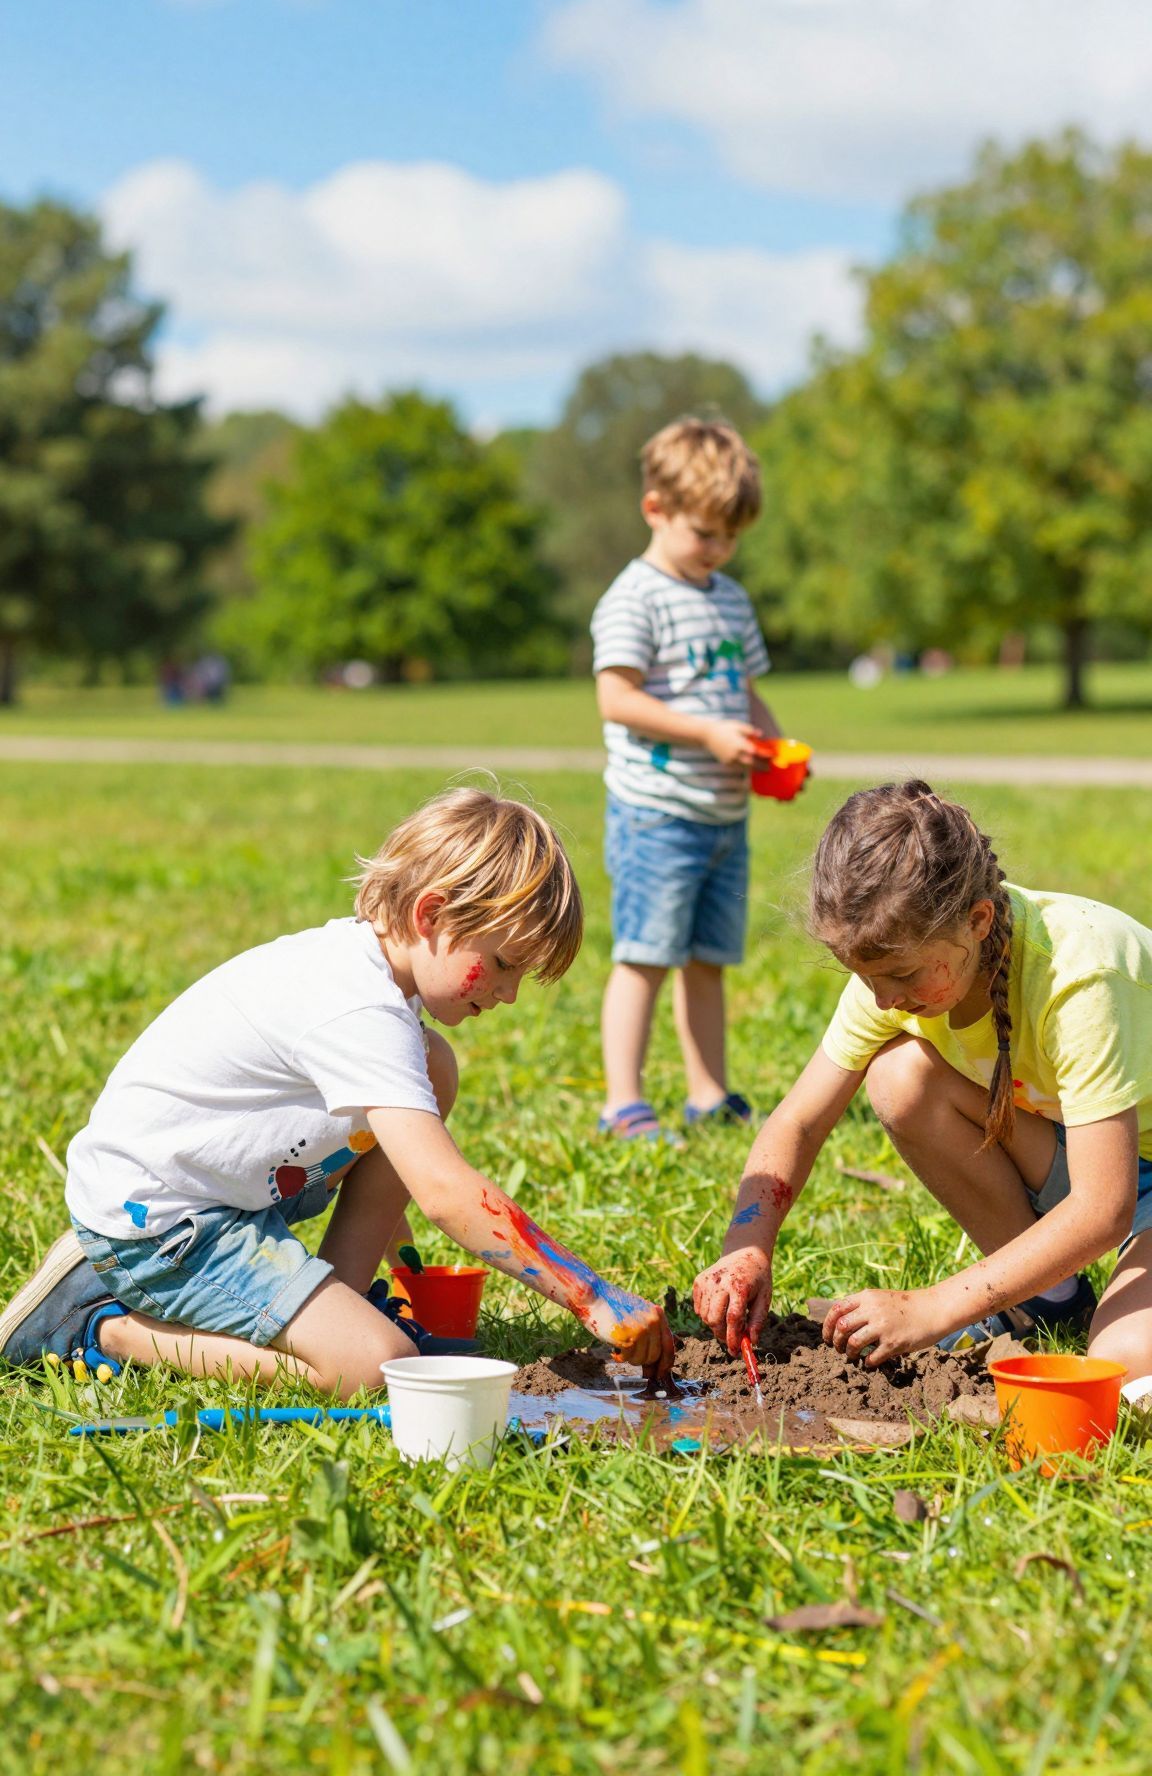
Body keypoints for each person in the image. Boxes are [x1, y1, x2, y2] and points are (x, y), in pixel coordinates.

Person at [1, 789, 674, 1395]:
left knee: (433, 1067)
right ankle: (105, 1324)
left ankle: (342, 1297)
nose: (508, 993)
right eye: (501, 965)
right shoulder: (355, 1009)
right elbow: (445, 1191)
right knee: (375, 1369)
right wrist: (589, 1294)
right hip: (163, 1223)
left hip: (214, 1198)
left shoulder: (371, 979)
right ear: (431, 913)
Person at [694, 779, 1152, 1386]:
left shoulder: (1082, 976)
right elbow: (798, 1122)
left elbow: (1104, 1207)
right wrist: (747, 1246)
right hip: (1091, 1153)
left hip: (1117, 1184)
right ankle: (1045, 1299)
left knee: (1126, 1361)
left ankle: (1044, 1294)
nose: (883, 999)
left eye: (901, 974)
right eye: (864, 976)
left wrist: (934, 1306)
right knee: (901, 1076)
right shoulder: (897, 973)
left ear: (979, 920)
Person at [590, 417, 784, 1140]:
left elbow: (744, 689)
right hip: (657, 814)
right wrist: (705, 732)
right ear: (656, 509)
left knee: (708, 959)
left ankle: (708, 1091)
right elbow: (618, 697)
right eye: (705, 534)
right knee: (646, 955)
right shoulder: (632, 598)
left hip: (723, 813)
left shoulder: (729, 597)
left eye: (731, 538)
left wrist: (769, 740)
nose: (719, 550)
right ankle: (623, 1103)